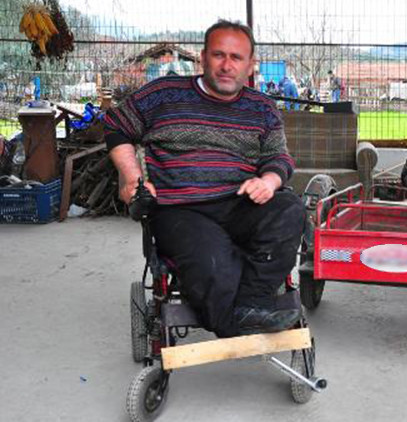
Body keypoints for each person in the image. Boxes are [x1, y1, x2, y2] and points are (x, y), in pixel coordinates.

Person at [104, 19, 304, 338]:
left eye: (236, 57)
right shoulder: (163, 95)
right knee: (214, 266)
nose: (227, 65)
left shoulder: (263, 108)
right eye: (218, 55)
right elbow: (116, 125)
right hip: (180, 209)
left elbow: (278, 157)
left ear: (250, 65)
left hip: (240, 203)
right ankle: (235, 324)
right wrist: (132, 178)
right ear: (203, 57)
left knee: (290, 208)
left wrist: (268, 181)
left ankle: (251, 305)